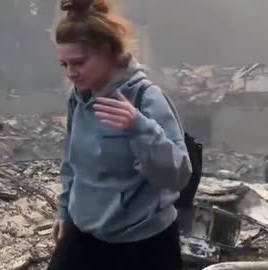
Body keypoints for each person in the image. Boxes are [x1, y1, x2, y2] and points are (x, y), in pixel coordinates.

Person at [47, 0, 193, 269]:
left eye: (78, 62)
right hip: (85, 235)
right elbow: (72, 164)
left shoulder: (146, 98)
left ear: (107, 52)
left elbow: (177, 176)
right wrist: (65, 212)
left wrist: (139, 128)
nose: (70, 72)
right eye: (63, 64)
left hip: (143, 242)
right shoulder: (78, 98)